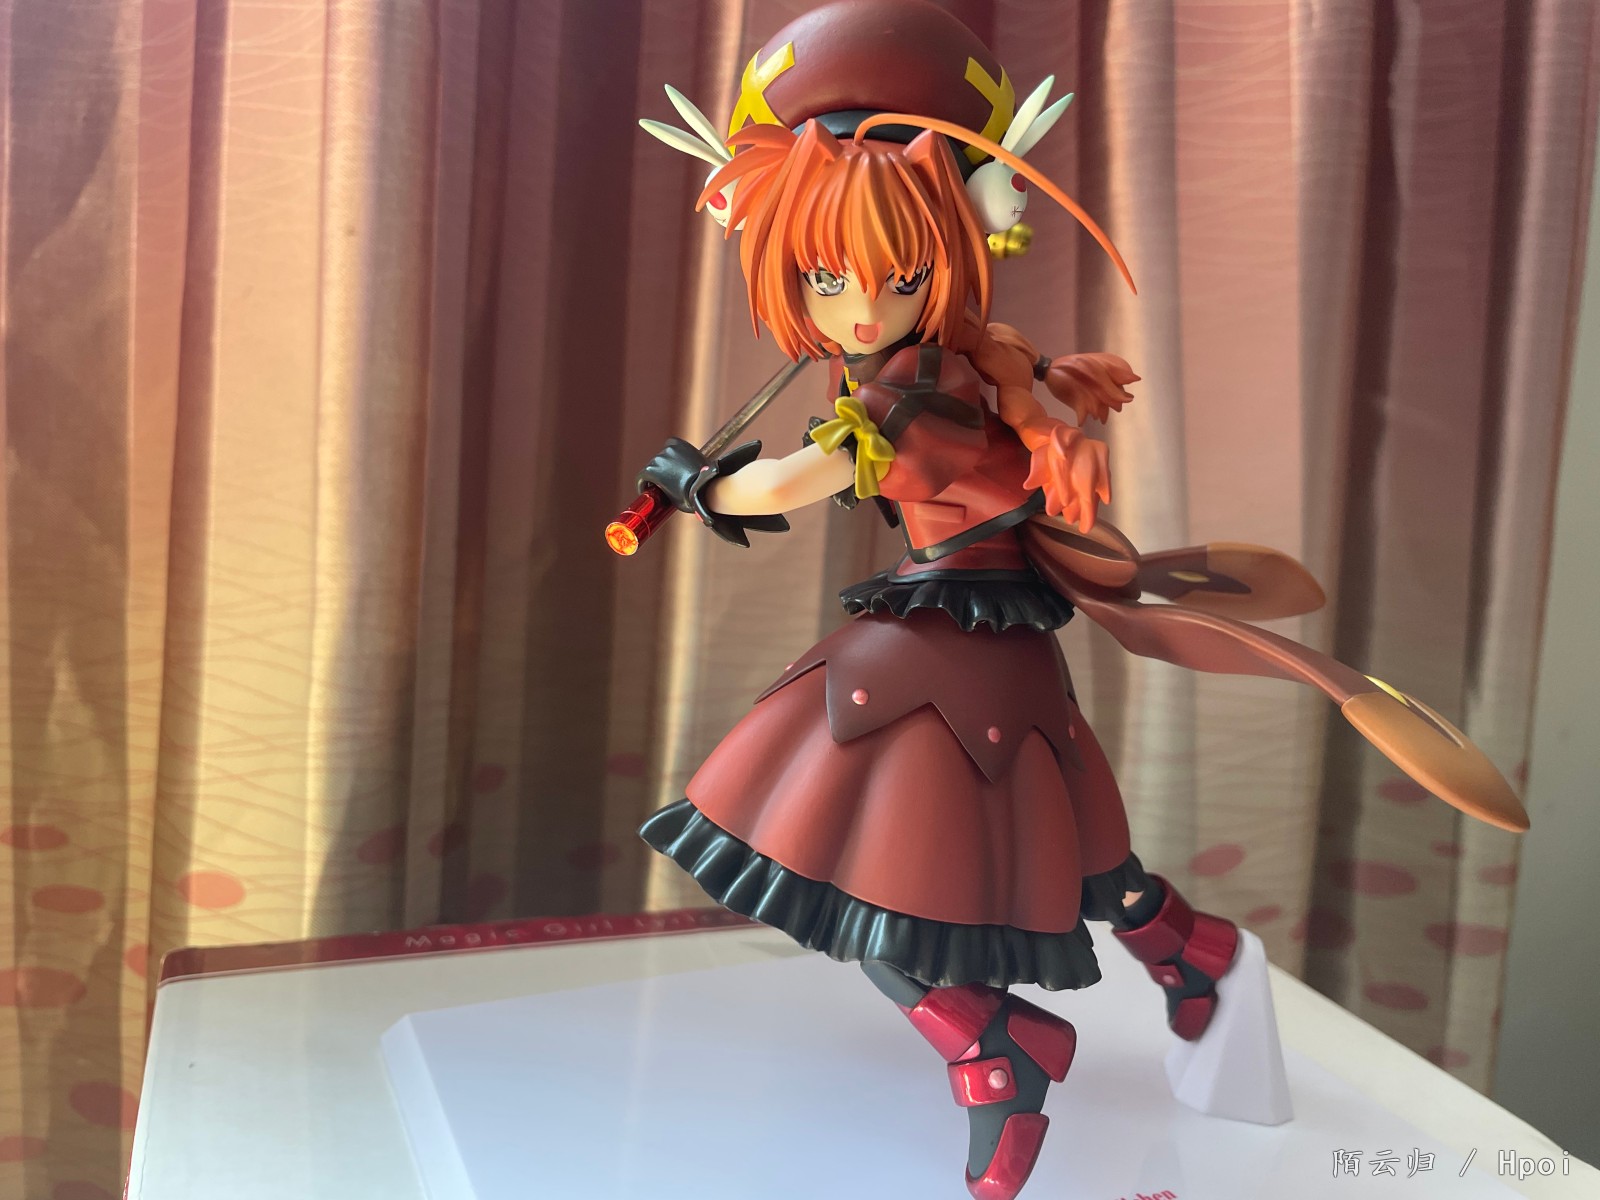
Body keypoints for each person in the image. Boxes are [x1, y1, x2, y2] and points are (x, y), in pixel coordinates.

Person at [624, 4, 1524, 1198]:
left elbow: (802, 477)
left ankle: (995, 1047)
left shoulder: (917, 394)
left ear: (952, 245)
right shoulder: (951, 364)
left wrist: (700, 485)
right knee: (1039, 847)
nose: (855, 307)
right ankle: (1187, 953)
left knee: (858, 879)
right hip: (970, 641)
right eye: (823, 275)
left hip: (941, 652)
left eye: (892, 274)